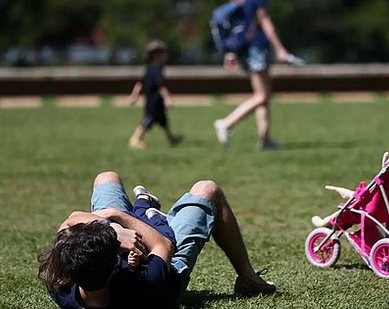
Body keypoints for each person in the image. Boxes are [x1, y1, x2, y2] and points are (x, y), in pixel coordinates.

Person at [38, 171, 276, 308]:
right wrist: (117, 217)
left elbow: (70, 221)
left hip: (115, 251)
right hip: (167, 262)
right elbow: (163, 244)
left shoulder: (60, 282)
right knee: (208, 189)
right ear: (114, 266)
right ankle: (249, 279)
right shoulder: (144, 285)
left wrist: (113, 230)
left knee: (106, 178)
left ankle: (141, 210)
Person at [213, 0, 294, 150]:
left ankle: (265, 139)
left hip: (246, 50)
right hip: (257, 49)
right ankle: (226, 123)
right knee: (262, 96)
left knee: (263, 95)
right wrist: (280, 49)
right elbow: (265, 22)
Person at [128, 40, 182, 149]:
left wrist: (134, 95)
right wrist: (167, 98)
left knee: (163, 121)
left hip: (156, 101)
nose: (165, 57)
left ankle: (171, 139)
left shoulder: (150, 68)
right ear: (156, 56)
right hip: (154, 100)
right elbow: (161, 86)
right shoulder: (156, 69)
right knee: (148, 120)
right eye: (163, 54)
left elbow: (139, 83)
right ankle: (135, 139)